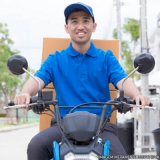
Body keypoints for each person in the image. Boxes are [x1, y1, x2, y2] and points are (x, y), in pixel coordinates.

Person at [14, 2, 150, 160]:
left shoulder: (106, 58)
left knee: (120, 156)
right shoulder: (55, 59)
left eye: (86, 21)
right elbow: (37, 81)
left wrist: (137, 95)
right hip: (63, 127)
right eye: (74, 21)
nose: (80, 26)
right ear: (67, 27)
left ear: (94, 26)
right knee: (36, 145)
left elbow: (122, 80)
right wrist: (24, 93)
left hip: (101, 128)